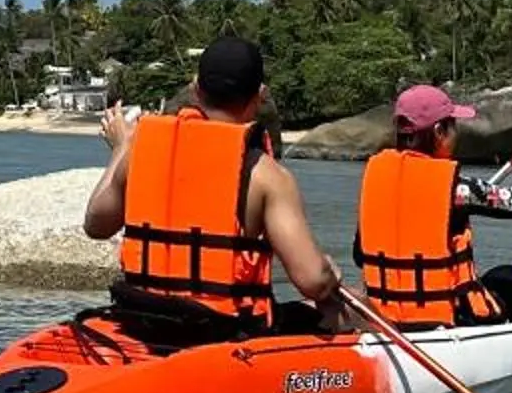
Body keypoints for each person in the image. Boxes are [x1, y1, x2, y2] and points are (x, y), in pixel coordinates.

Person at [84, 34, 347, 341]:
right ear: (259, 95)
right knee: (342, 308)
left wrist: (121, 148)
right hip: (222, 331)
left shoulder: (141, 150)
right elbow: (312, 281)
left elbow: (96, 224)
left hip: (142, 317)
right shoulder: (266, 175)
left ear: (196, 90)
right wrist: (330, 273)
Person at [353, 86, 512, 327]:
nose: (456, 135)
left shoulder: (377, 181)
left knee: (495, 279)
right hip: (446, 319)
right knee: (507, 277)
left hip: (385, 317)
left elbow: (359, 254)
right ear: (439, 131)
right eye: (453, 127)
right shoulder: (457, 190)